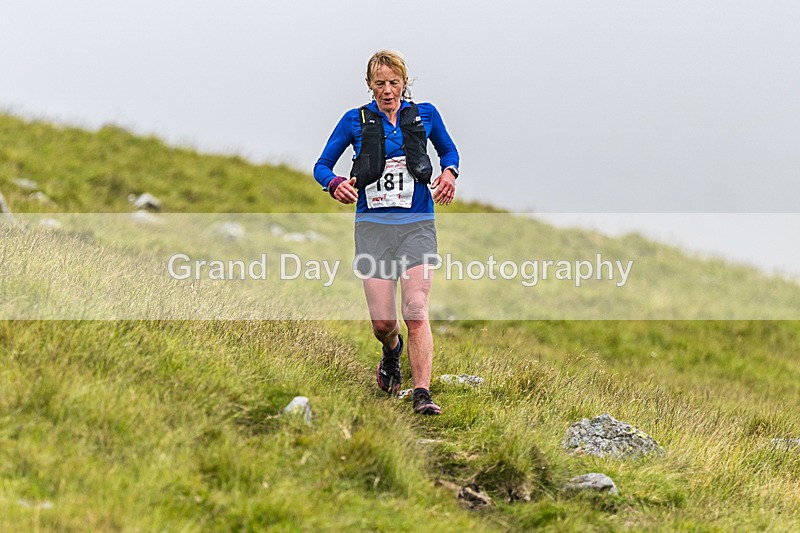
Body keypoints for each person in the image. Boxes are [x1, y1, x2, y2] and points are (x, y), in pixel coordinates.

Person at [313, 50, 460, 415]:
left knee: (416, 308)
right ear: (369, 85)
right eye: (380, 83)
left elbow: (449, 151)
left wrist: (449, 173)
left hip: (417, 227)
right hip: (373, 230)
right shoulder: (354, 120)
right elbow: (321, 166)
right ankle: (392, 351)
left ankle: (422, 393)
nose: (388, 90)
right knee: (383, 323)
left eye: (394, 82)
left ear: (404, 82)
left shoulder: (425, 115)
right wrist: (334, 183)